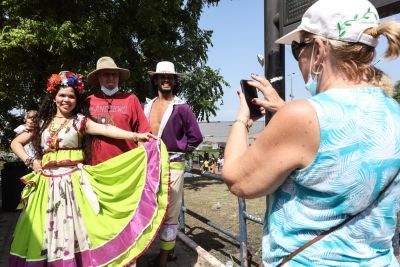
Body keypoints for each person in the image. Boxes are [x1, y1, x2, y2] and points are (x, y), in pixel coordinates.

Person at [222, 0, 400, 266]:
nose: (299, 61)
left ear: (319, 49)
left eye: (298, 49)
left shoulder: (302, 116)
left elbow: (237, 180)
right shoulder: (393, 111)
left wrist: (242, 120)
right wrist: (285, 111)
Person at [9, 71, 169, 266]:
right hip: (45, 186)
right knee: (43, 230)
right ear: (54, 97)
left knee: (76, 229)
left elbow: (107, 130)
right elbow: (16, 143)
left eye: (71, 96)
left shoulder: (80, 121)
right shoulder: (42, 123)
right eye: (62, 95)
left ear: (76, 100)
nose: (66, 100)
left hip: (73, 185)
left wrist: (136, 136)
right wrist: (31, 162)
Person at [144, 61, 203, 266]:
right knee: (149, 208)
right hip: (149, 164)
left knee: (170, 212)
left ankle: (163, 257)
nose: (166, 80)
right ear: (156, 80)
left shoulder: (182, 107)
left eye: (170, 77)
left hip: (173, 164)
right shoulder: (147, 106)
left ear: (175, 81)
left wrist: (179, 150)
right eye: (162, 76)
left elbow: (196, 137)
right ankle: (164, 251)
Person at [87, 56, 151, 165]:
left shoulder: (131, 99)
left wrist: (139, 161)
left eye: (114, 74)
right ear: (98, 77)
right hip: (96, 166)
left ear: (119, 77)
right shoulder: (89, 101)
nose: (111, 77)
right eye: (106, 74)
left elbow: (143, 132)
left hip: (127, 164)